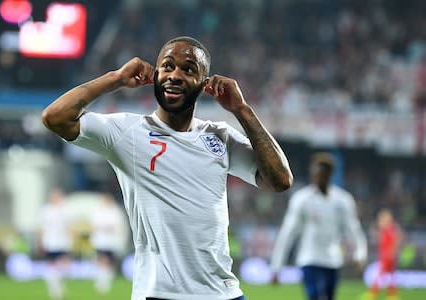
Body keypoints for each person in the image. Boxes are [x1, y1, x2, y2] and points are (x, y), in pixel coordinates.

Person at [42, 36, 293, 300]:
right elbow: (55, 117)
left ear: (204, 83)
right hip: (160, 293)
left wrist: (242, 110)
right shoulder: (127, 132)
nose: (175, 75)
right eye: (168, 66)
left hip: (224, 294)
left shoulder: (219, 136)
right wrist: (115, 78)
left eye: (188, 69)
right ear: (157, 73)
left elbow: (280, 180)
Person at [270, 152, 367, 300]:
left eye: (324, 173)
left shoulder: (343, 200)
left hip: (332, 259)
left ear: (330, 174)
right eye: (317, 172)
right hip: (309, 258)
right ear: (312, 172)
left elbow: (353, 229)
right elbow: (288, 232)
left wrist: (360, 254)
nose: (319, 176)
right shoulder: (302, 199)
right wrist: (277, 266)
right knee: (314, 296)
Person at [89, 193, 128, 294]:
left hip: (112, 242)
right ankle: (102, 282)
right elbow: (94, 226)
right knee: (102, 261)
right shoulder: (98, 211)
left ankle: (106, 281)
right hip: (101, 241)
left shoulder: (115, 211)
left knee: (109, 263)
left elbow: (119, 226)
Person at [39, 188, 74, 300]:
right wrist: (40, 241)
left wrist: (71, 239)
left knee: (66, 266)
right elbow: (42, 228)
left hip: (63, 242)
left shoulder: (65, 210)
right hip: (50, 242)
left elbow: (70, 227)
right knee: (51, 265)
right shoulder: (46, 210)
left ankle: (59, 284)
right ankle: (54, 288)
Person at [363, 209, 402, 300]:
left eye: (381, 219)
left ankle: (372, 295)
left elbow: (396, 240)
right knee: (390, 277)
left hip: (387, 257)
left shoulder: (390, 230)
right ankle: (392, 296)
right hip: (386, 256)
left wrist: (392, 252)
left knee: (381, 276)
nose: (380, 221)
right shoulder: (386, 230)